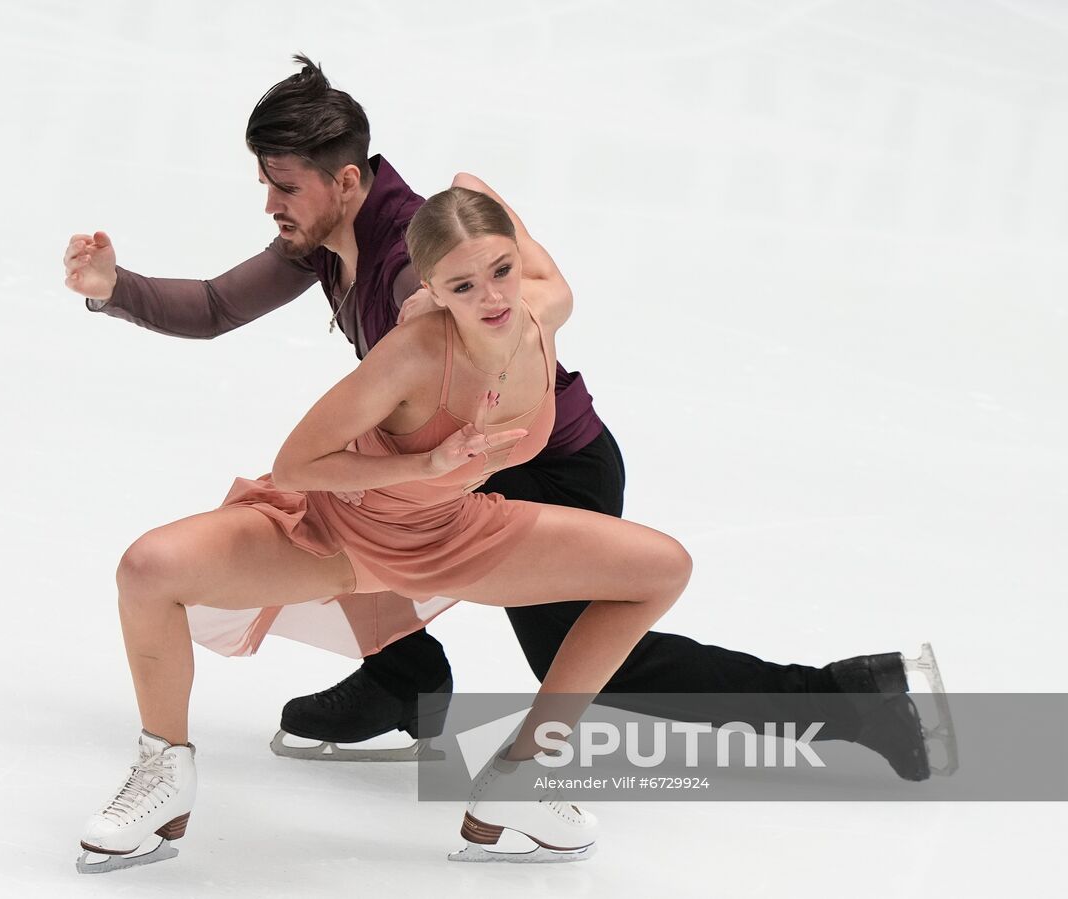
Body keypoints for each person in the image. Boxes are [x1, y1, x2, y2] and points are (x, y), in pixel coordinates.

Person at [64, 56, 939, 782]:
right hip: (455, 462)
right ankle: (404, 683)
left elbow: (490, 312)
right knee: (355, 516)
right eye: (264, 182)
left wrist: (461, 326)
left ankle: (855, 698)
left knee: (593, 655)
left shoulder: (413, 249)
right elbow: (218, 304)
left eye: (282, 186)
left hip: (545, 463)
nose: (269, 204)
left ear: (344, 180)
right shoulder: (329, 233)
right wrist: (116, 291)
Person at [75, 181, 693, 873]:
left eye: (500, 270)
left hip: (456, 534)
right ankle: (164, 776)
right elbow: (298, 462)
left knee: (662, 568)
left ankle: (524, 771)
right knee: (147, 569)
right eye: (462, 285)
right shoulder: (412, 354)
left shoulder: (543, 308)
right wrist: (426, 461)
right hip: (342, 535)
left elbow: (483, 199)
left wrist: (468, 200)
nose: (491, 297)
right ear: (428, 287)